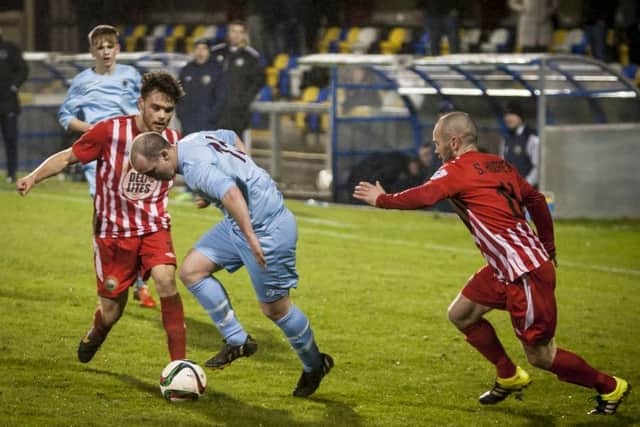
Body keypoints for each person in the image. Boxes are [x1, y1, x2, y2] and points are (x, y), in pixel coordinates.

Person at [353, 111, 631, 415]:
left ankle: (609, 386)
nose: (435, 150)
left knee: (540, 355)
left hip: (524, 274)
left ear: (454, 142)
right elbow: (536, 200)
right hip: (508, 267)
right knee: (461, 314)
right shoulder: (500, 164)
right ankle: (508, 375)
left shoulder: (455, 170)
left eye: (437, 143)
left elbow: (425, 196)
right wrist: (548, 246)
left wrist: (383, 199)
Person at [129, 129, 333, 398]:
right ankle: (237, 340)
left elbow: (231, 194)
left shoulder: (194, 168)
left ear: (165, 154)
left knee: (276, 309)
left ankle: (315, 365)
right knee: (192, 271)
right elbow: (229, 135)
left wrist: (250, 236)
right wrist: (243, 170)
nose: (153, 178)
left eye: (153, 171)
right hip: (240, 224)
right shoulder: (191, 141)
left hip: (265, 230)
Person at [16, 71, 187, 364]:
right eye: (155, 107)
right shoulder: (110, 132)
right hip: (113, 235)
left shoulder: (173, 141)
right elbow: (67, 157)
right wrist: (34, 177)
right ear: (141, 103)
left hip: (154, 227)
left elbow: (195, 170)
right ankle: (96, 333)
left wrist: (207, 192)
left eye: (168, 110)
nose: (162, 116)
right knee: (112, 312)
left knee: (166, 279)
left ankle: (180, 365)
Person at [57, 25, 155, 307]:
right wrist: (95, 131)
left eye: (110, 46)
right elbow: (65, 116)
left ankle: (140, 284)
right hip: (99, 157)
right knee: (107, 218)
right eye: (100, 47)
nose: (105, 52)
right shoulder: (82, 81)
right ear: (92, 52)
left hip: (131, 153)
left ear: (118, 49)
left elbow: (144, 108)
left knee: (141, 216)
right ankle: (111, 276)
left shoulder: (131, 76)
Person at [210, 20, 265, 138]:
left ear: (244, 35)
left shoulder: (251, 57)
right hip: (214, 114)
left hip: (237, 115)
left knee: (235, 152)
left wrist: (242, 101)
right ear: (228, 33)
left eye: (240, 32)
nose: (236, 35)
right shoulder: (215, 53)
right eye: (233, 31)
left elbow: (258, 82)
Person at [0, 27, 29, 184]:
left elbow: (23, 69)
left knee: (10, 139)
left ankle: (11, 173)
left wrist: (14, 86)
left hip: (8, 103)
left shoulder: (10, 49)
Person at [177, 39, 223, 136]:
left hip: (208, 124)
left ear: (209, 51)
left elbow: (221, 97)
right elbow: (178, 95)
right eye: (197, 48)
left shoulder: (216, 70)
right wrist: (181, 115)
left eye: (203, 49)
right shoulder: (186, 70)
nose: (200, 52)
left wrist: (212, 117)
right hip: (188, 123)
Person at [501, 101, 539, 189]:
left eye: (512, 114)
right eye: (506, 115)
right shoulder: (506, 139)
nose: (508, 118)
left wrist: (525, 185)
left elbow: (538, 167)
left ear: (520, 117)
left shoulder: (531, 138)